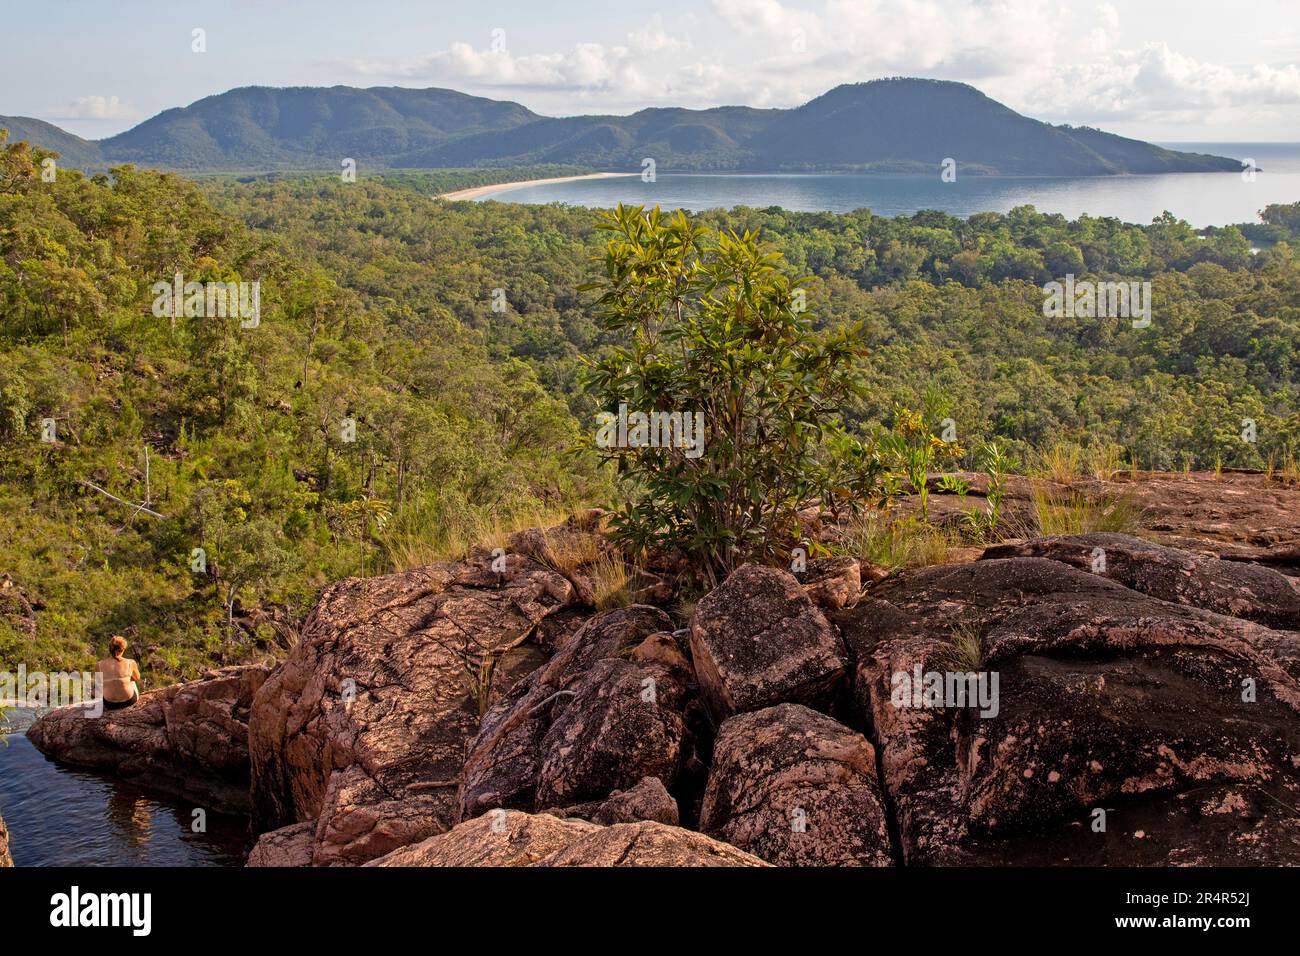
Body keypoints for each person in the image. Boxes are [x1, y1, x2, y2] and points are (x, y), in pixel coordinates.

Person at [96, 635, 141, 710]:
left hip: (109, 704)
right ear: (122, 649)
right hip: (129, 701)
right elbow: (137, 678)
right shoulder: (130, 662)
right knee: (131, 681)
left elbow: (99, 683)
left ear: (110, 649)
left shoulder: (99, 665)